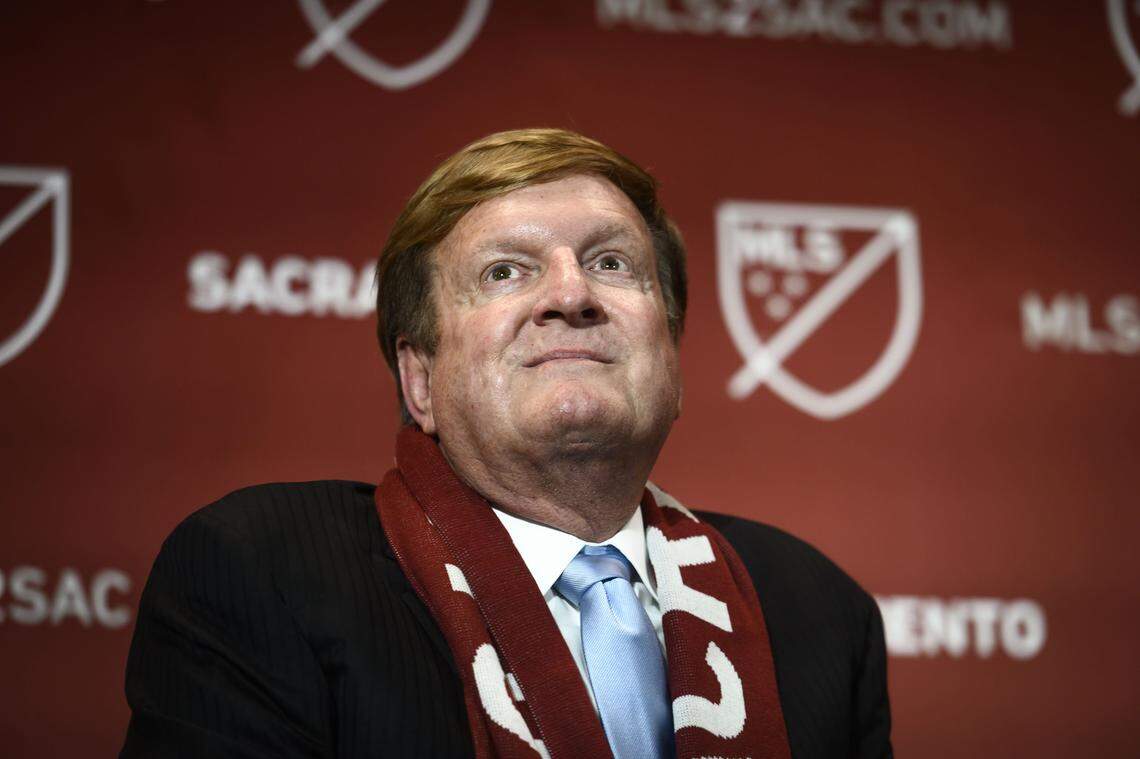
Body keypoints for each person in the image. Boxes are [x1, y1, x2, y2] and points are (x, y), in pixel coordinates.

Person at [120, 128, 892, 758]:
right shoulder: (264, 571)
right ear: (418, 378)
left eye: (611, 262)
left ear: (675, 363)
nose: (570, 294)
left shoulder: (813, 609)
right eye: (503, 272)